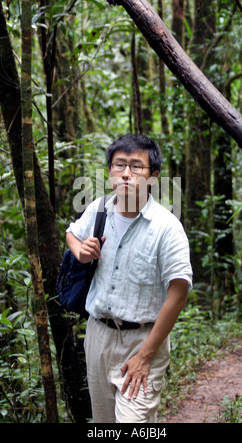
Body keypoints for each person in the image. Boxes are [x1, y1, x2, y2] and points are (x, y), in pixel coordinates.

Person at [66, 134, 192, 423]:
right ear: (110, 171)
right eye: (119, 164)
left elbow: (179, 293)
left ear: (153, 177)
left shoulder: (167, 228)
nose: (125, 173)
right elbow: (72, 233)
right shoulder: (98, 209)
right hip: (98, 336)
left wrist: (146, 355)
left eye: (136, 167)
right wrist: (81, 252)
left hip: (142, 340)